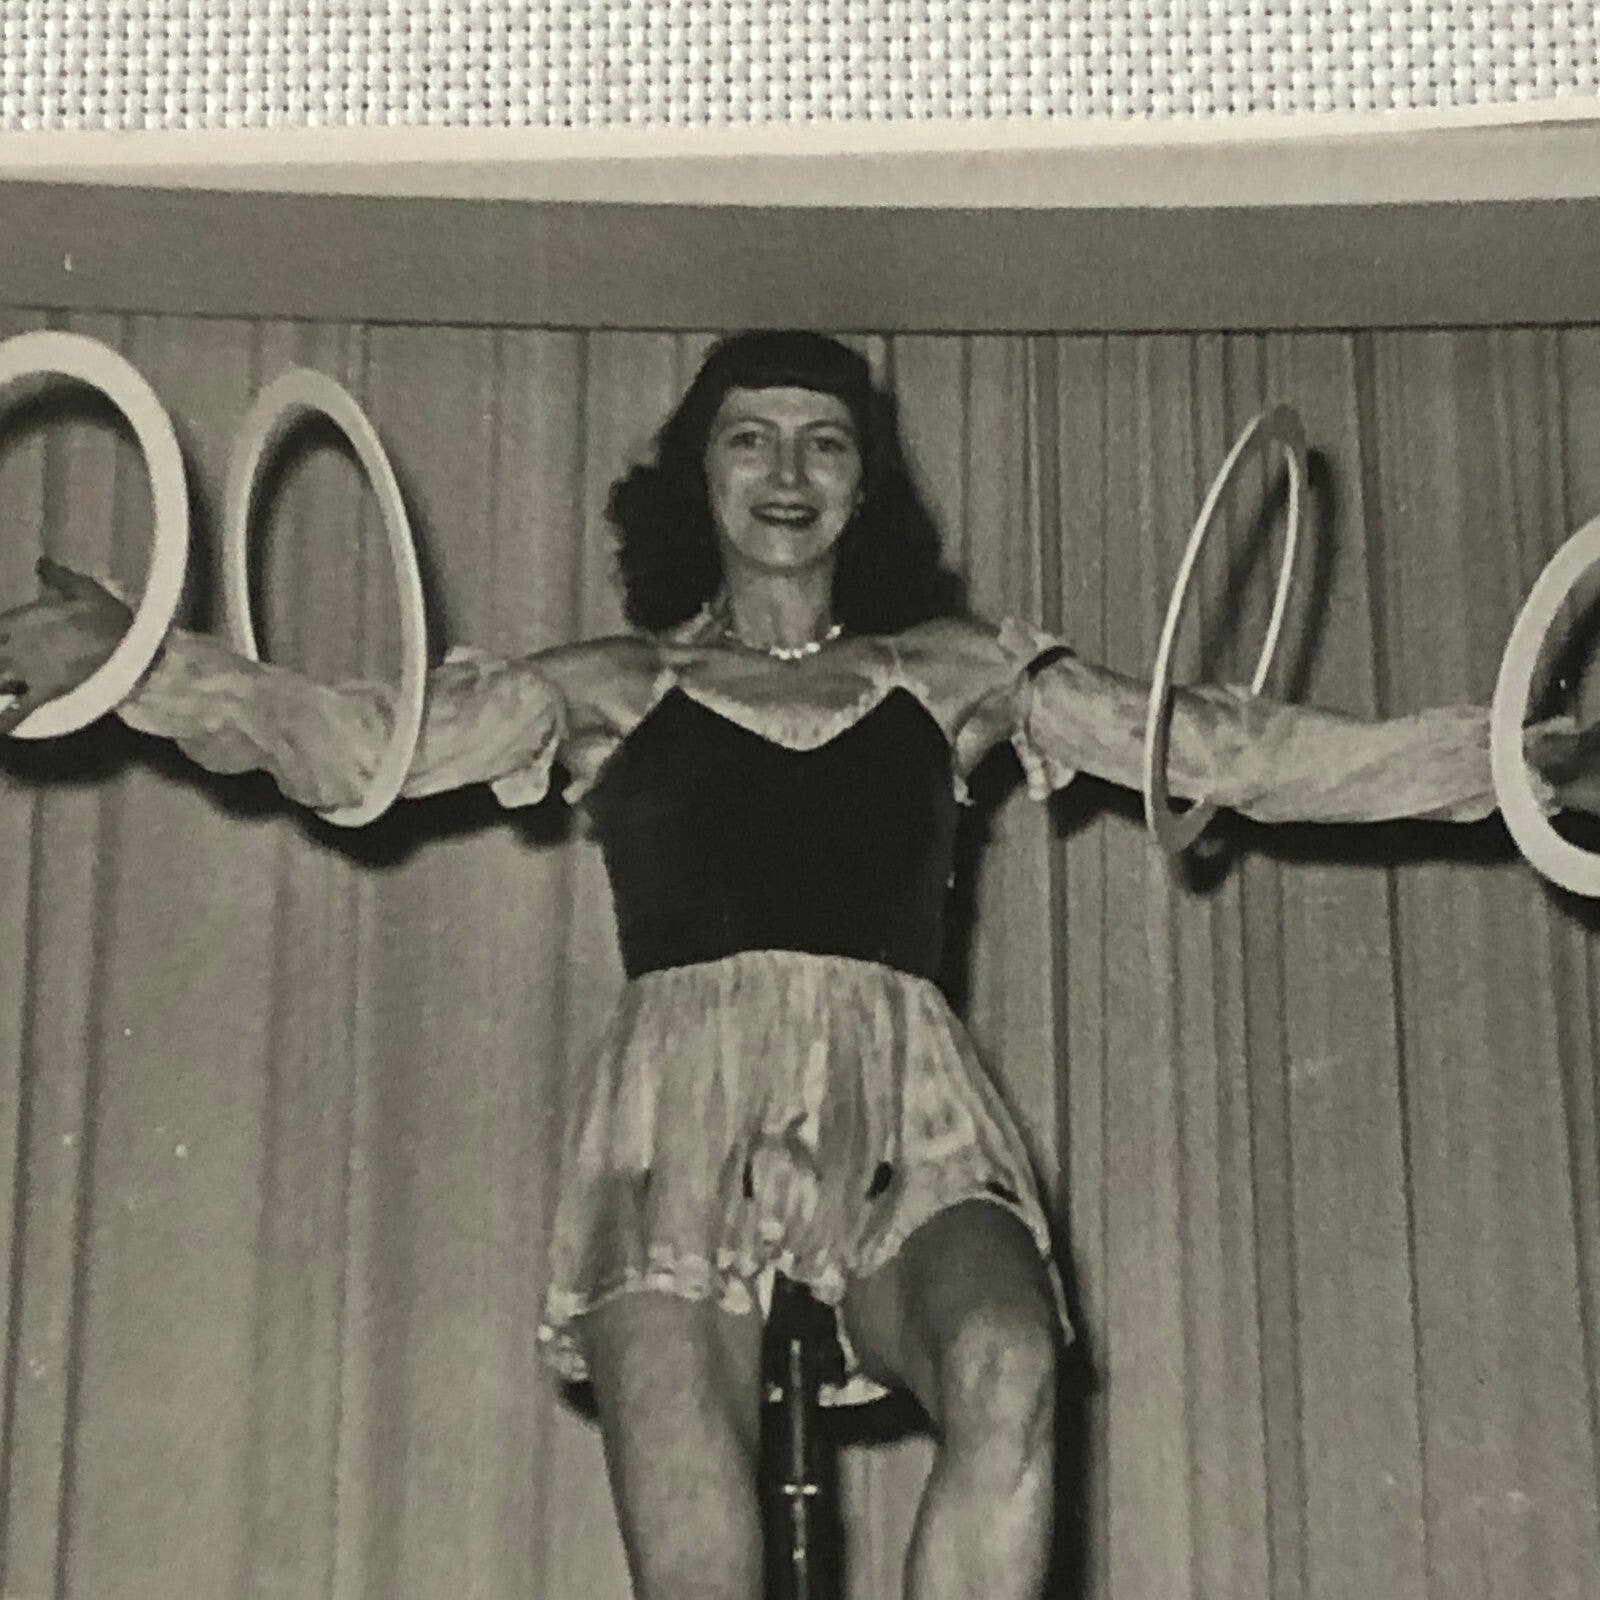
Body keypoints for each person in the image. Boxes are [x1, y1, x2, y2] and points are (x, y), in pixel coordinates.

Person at [2, 330, 1598, 1600]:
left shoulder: (962, 672)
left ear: (863, 487)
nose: (787, 470)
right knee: (698, 1570)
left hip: (907, 1114)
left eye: (825, 441)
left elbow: (1241, 748)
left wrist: (1519, 758)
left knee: (1007, 1368)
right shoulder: (611, 682)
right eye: (750, 437)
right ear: (695, 474)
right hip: (667, 1132)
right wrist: (143, 659)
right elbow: (358, 742)